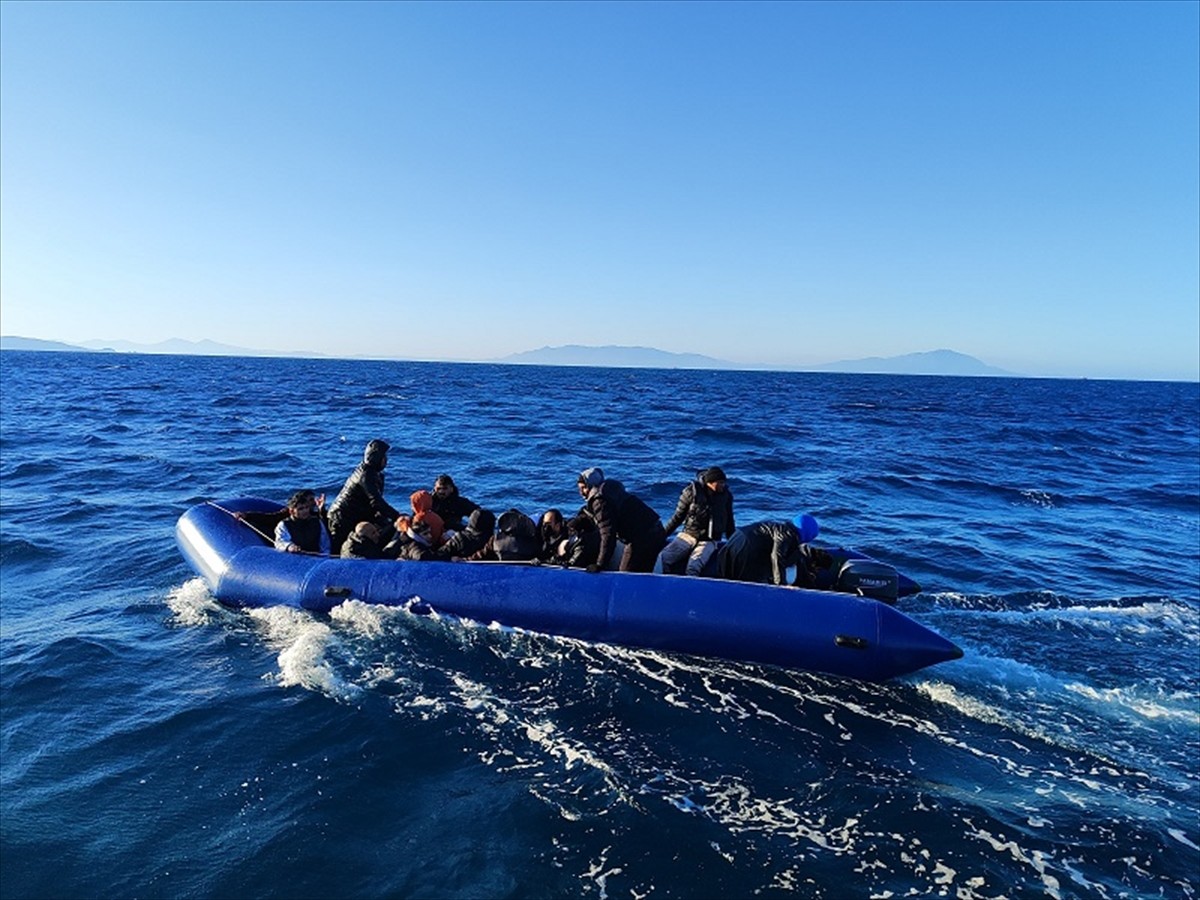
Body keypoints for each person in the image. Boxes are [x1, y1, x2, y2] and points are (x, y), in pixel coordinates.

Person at [577, 467, 666, 573]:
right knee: (641, 572)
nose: (581, 493)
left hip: (643, 538)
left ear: (591, 486)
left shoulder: (600, 501)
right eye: (580, 489)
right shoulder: (611, 493)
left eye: (583, 488)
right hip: (655, 532)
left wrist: (600, 564)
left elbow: (608, 535)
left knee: (627, 574)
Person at [327, 439, 402, 554]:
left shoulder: (375, 474)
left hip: (358, 514)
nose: (386, 460)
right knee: (341, 549)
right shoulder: (366, 475)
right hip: (342, 517)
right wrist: (397, 516)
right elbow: (376, 500)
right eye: (383, 457)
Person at [659, 466, 736, 576]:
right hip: (688, 534)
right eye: (720, 483)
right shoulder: (691, 492)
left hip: (709, 540)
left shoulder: (726, 496)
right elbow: (677, 517)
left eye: (724, 483)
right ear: (710, 482)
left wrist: (733, 542)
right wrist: (661, 536)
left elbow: (729, 521)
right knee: (663, 559)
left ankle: (689, 590)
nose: (723, 486)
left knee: (693, 566)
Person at [717, 514, 820, 586]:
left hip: (735, 539)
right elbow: (777, 557)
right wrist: (780, 585)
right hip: (747, 548)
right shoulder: (787, 534)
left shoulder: (779, 527)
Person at [274, 490, 331, 555]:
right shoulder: (284, 524)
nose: (305, 511)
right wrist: (289, 546)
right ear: (292, 511)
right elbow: (280, 542)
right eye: (300, 509)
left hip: (316, 558)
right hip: (295, 556)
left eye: (306, 507)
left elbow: (325, 545)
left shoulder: (317, 522)